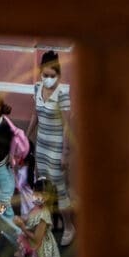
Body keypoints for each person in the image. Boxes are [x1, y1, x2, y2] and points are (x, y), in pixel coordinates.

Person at [30, 51, 73, 246]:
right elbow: (35, 114)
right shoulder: (37, 88)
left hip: (56, 149)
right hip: (41, 146)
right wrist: (26, 134)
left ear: (59, 75)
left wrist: (65, 153)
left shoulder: (62, 94)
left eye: (52, 76)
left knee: (61, 190)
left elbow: (67, 125)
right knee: (44, 187)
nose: (48, 79)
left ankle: (69, 227)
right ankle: (44, 223)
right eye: (45, 75)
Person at [0, 95, 27, 214]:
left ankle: (3, 221)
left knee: (3, 204)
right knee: (0, 197)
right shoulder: (5, 121)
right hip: (5, 168)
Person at [18, 184, 64, 257]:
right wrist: (24, 219)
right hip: (34, 245)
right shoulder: (37, 207)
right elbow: (31, 218)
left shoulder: (43, 215)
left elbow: (37, 240)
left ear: (46, 196)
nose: (34, 195)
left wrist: (22, 227)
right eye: (34, 192)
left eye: (37, 193)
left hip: (41, 249)